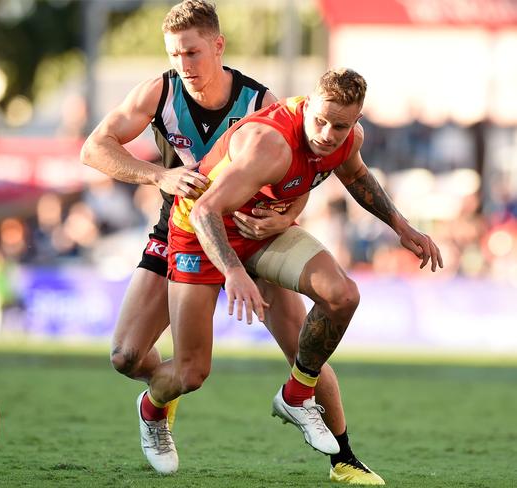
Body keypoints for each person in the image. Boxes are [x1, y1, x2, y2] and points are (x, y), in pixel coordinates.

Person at [81, 2, 384, 483]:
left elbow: (301, 169)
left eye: (193, 52)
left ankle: (344, 459)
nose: (184, 64)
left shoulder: (259, 101)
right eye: (175, 54)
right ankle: (162, 394)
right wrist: (158, 175)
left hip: (249, 237)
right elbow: (94, 147)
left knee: (304, 347)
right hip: (180, 231)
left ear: (218, 46)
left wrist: (286, 215)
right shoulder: (158, 92)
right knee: (126, 358)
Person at [149, 67, 442, 476]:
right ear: (307, 104)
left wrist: (402, 227)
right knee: (191, 372)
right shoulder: (270, 143)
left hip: (265, 230)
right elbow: (205, 210)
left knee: (343, 296)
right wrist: (233, 273)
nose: (326, 132)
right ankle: (152, 407)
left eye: (340, 125)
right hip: (200, 233)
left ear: (356, 120)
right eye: (320, 119)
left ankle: (302, 401)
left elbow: (355, 175)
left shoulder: (347, 138)